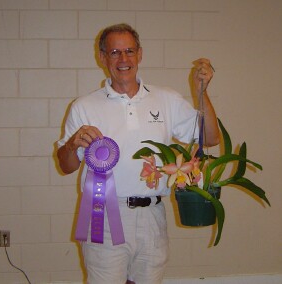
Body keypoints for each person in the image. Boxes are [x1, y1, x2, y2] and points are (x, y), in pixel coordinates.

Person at [57, 23, 219, 284]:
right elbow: (66, 166)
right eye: (114, 52)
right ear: (102, 57)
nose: (123, 59)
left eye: (129, 51)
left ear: (140, 54)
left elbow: (210, 138)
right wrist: (72, 145)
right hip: (103, 216)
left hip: (153, 215)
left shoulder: (166, 99)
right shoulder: (83, 106)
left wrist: (203, 92)